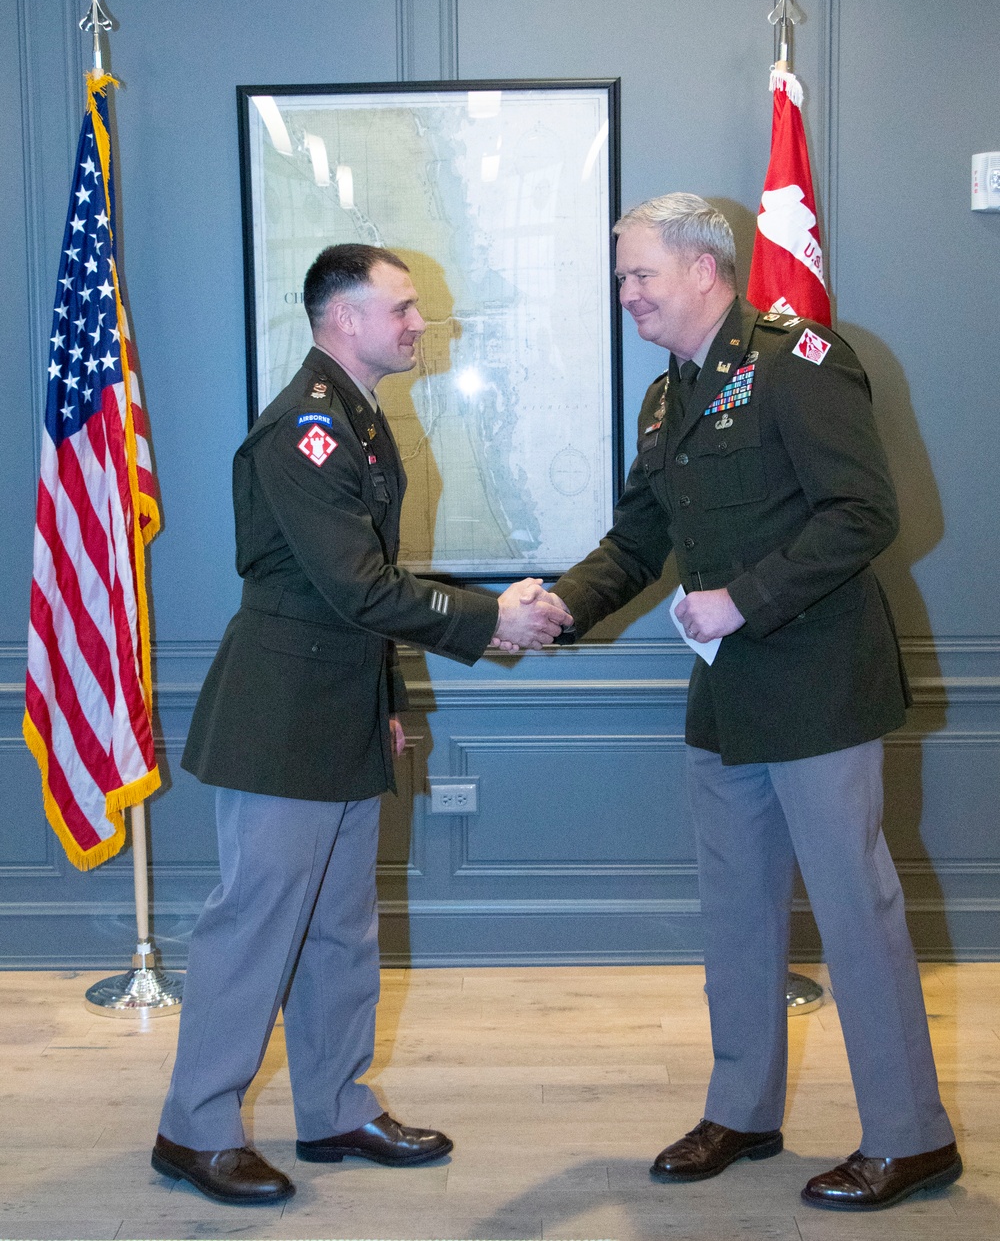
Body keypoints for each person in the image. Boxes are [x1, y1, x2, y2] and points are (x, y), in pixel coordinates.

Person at [548, 193, 961, 1211]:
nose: (626, 294)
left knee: (856, 916)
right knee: (734, 914)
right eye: (621, 277)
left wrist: (743, 597)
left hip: (817, 684)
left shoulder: (797, 361)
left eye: (639, 273)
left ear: (704, 268)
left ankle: (911, 1139)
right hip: (727, 698)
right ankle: (742, 1109)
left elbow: (865, 511)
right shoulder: (666, 398)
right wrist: (557, 606)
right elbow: (638, 539)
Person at [152, 243, 571, 1206]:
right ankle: (195, 1128)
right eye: (402, 307)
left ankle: (335, 1107)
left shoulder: (361, 423)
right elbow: (355, 586)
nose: (418, 322)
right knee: (253, 928)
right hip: (281, 714)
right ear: (343, 317)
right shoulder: (305, 429)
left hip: (339, 709)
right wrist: (492, 620)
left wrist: (385, 708)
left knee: (343, 927)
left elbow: (357, 594)